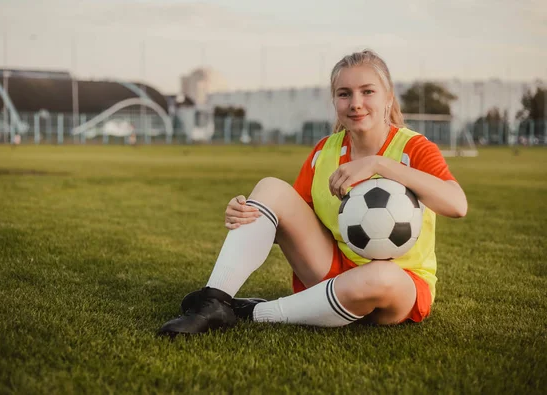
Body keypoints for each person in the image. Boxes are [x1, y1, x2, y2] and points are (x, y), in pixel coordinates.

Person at [158, 49, 468, 336]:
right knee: (270, 187)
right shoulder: (325, 151)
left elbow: (457, 205)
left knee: (380, 276)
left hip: (398, 286)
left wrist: (380, 165)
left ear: (388, 97)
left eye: (367, 91)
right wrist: (247, 212)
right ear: (335, 101)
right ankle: (213, 302)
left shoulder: (413, 147)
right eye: (344, 94)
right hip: (331, 270)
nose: (355, 103)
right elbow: (284, 223)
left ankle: (254, 312)